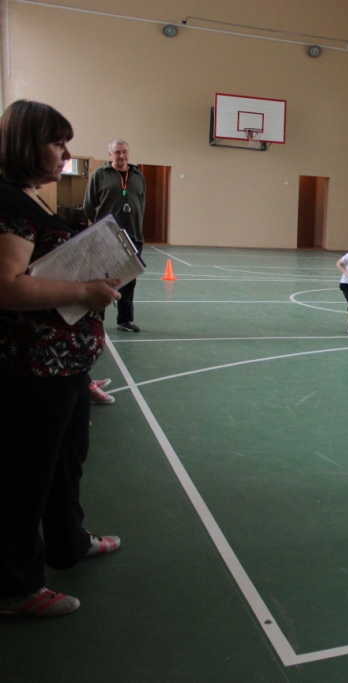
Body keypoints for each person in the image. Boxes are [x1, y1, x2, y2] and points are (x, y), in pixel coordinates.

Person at [0, 100, 122, 618]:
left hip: (65, 364)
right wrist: (83, 291)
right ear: (28, 145)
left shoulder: (30, 198)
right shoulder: (9, 201)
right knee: (25, 478)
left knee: (66, 461)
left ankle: (68, 542)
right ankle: (15, 588)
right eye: (57, 143)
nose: (65, 153)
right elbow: (7, 286)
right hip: (32, 368)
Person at [83, 138, 146, 333]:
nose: (122, 155)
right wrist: (102, 226)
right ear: (110, 154)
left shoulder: (138, 175)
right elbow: (88, 205)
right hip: (106, 236)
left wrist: (136, 224)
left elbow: (141, 203)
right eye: (117, 152)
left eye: (124, 151)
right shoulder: (100, 175)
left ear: (129, 153)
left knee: (129, 279)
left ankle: (125, 320)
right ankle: (97, 317)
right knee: (102, 277)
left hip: (133, 235)